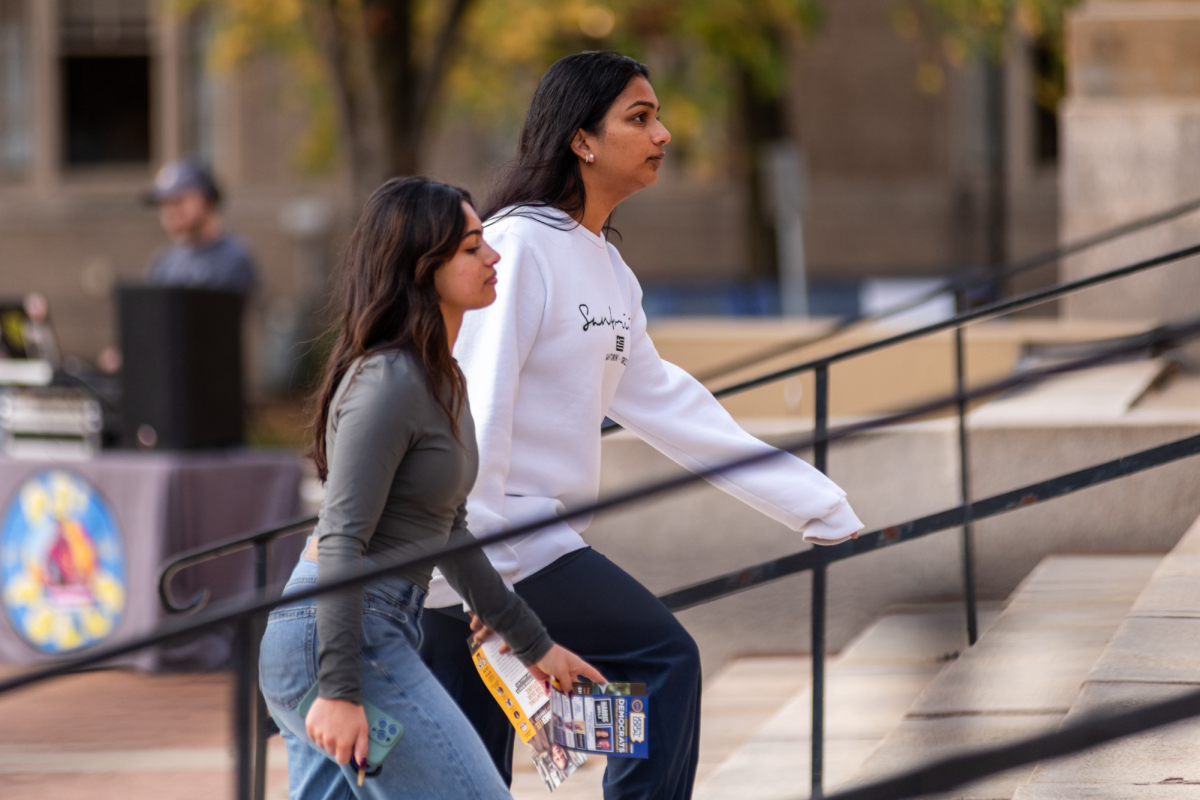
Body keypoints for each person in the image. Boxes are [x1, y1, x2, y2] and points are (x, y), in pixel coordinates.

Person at [418, 51, 864, 800]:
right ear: (581, 139)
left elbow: (670, 407)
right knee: (661, 662)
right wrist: (481, 575)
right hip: (488, 546)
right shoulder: (519, 246)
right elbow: (477, 403)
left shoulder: (609, 272)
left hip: (519, 545)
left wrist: (816, 503)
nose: (663, 134)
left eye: (657, 116)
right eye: (640, 117)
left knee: (473, 779)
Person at [257, 176, 604, 800]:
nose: (494, 255)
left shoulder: (440, 379)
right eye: (473, 248)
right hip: (343, 642)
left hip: (355, 634)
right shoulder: (387, 381)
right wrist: (339, 692)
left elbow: (450, 533)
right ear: (423, 266)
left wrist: (537, 648)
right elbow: (340, 541)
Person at [143, 159, 258, 294]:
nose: (170, 212)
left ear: (207, 200)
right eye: (164, 204)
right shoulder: (163, 262)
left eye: (178, 201)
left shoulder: (232, 258)